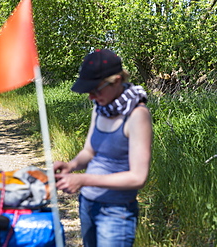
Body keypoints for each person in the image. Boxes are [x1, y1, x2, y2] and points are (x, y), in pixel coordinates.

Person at [54, 49, 153, 247]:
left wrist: (83, 179)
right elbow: (89, 151)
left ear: (116, 80)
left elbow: (138, 177)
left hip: (116, 212)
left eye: (95, 90)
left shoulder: (137, 115)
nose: (91, 96)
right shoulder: (101, 107)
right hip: (88, 204)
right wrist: (71, 165)